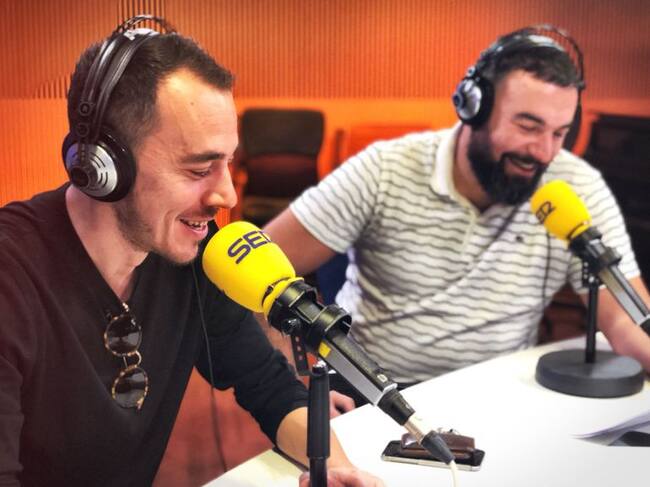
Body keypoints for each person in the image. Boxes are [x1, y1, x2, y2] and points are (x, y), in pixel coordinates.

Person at [0, 16, 383, 487]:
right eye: (200, 170)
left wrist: (337, 469)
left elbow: (272, 389)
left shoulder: (193, 258)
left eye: (228, 164)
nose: (227, 196)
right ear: (102, 166)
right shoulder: (11, 277)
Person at [264, 25, 650, 407]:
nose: (544, 152)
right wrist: (297, 386)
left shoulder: (573, 187)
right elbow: (257, 273)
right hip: (374, 397)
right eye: (528, 126)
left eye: (559, 133)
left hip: (502, 397)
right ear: (473, 107)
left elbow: (625, 320)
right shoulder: (384, 170)